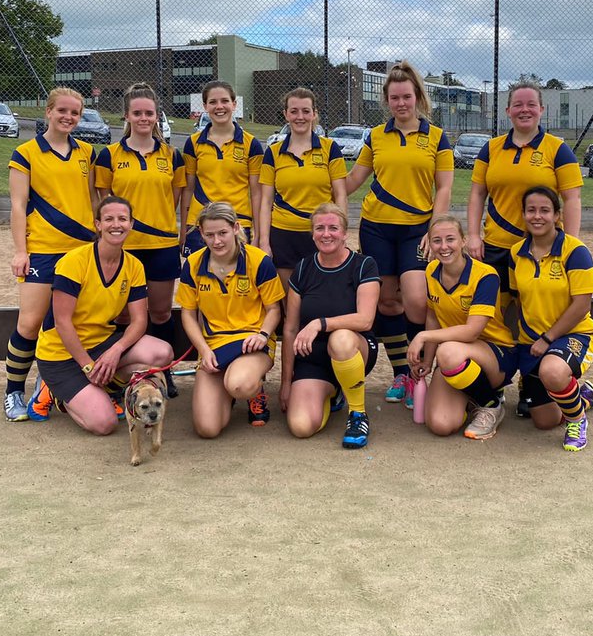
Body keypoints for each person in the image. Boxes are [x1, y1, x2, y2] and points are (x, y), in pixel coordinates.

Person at [466, 80, 582, 417]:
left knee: (537, 317)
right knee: (498, 321)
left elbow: (572, 198)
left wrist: (569, 246)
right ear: (507, 111)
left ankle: (537, 383)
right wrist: (473, 235)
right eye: (518, 104)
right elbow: (476, 194)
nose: (525, 110)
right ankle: (496, 387)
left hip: (544, 252)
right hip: (497, 250)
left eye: (531, 104)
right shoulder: (491, 149)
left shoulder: (557, 149)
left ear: (542, 109)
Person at [345, 61, 453, 408]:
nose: (401, 103)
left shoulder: (436, 137)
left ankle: (421, 366)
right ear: (386, 100)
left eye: (406, 96)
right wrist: (317, 185)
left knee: (417, 299)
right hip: (376, 227)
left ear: (418, 97)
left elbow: (445, 188)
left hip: (417, 230)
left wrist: (434, 230)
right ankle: (403, 374)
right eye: (394, 98)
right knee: (387, 301)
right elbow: (353, 180)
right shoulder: (376, 136)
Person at [27, 195, 175, 434]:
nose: (116, 225)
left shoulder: (134, 266)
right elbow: (62, 321)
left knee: (162, 352)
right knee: (104, 424)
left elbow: (139, 321)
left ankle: (103, 386)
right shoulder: (73, 262)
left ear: (131, 224)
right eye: (108, 219)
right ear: (97, 224)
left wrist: (115, 351)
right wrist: (87, 366)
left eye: (122, 219)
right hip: (61, 353)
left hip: (102, 342)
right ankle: (56, 392)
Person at [2, 87, 97, 422]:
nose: (69, 117)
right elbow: (17, 206)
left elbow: (92, 201)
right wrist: (19, 251)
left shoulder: (86, 152)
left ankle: (51, 384)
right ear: (48, 111)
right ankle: (14, 390)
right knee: (29, 323)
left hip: (82, 251)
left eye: (75, 112)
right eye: (63, 111)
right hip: (42, 250)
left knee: (64, 322)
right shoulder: (26, 152)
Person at [180, 80, 269, 424]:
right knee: (204, 296)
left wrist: (257, 233)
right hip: (199, 227)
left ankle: (252, 376)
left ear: (235, 104)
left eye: (224, 101)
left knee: (246, 291)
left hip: (238, 226)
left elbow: (256, 191)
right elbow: (187, 189)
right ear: (205, 107)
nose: (219, 107)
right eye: (212, 102)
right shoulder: (193, 143)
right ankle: (211, 360)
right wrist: (183, 231)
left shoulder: (250, 143)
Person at [93, 84, 187, 379]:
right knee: (123, 313)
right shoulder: (109, 156)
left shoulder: (172, 156)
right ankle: (124, 370)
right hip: (124, 247)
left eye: (149, 113)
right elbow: (105, 201)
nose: (144, 118)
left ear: (157, 116)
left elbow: (174, 197)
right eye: (137, 113)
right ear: (127, 116)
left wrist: (162, 225)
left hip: (161, 245)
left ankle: (163, 372)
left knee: (160, 312)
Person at [176, 202, 285, 439]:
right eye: (210, 235)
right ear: (202, 234)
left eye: (222, 233)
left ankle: (253, 391)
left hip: (252, 342)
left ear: (236, 228)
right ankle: (227, 391)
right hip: (214, 346)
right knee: (208, 429)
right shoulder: (194, 264)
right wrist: (203, 351)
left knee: (239, 384)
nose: (217, 241)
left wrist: (263, 335)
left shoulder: (258, 261)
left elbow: (274, 309)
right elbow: (187, 314)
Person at [508, 186, 593, 452]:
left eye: (544, 210)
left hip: (573, 334)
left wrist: (548, 338)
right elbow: (518, 299)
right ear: (523, 214)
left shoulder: (575, 251)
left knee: (553, 372)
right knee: (544, 421)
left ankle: (578, 421)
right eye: (531, 210)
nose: (537, 216)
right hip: (532, 341)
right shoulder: (516, 253)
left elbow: (582, 304)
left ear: (557, 216)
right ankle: (582, 396)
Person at [407, 215, 518, 441]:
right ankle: (471, 392)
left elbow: (472, 332)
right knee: (440, 424)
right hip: (456, 356)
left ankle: (491, 403)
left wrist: (423, 336)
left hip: (494, 353)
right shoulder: (431, 271)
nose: (444, 246)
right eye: (436, 241)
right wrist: (427, 361)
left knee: (447, 352)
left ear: (463, 241)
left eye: (451, 239)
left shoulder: (485, 275)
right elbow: (433, 315)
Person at [280, 204, 381, 450]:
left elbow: (365, 320)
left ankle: (357, 414)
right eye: (320, 228)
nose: (327, 234)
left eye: (333, 228)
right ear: (312, 234)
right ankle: (334, 390)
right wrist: (285, 383)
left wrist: (320, 323)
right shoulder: (303, 268)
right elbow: (291, 329)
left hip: (354, 348)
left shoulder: (364, 265)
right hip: (313, 358)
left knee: (341, 338)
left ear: (345, 233)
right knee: (301, 427)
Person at [256, 87, 348, 293]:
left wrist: (340, 231)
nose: (300, 117)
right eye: (294, 111)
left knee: (320, 296)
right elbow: (265, 201)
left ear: (314, 114)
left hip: (319, 234)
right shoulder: (273, 153)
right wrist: (264, 241)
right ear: (286, 114)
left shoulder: (329, 148)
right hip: (283, 235)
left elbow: (341, 194)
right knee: (289, 301)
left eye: (306, 111)